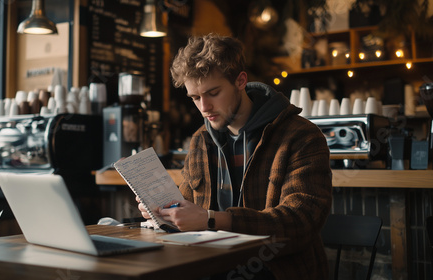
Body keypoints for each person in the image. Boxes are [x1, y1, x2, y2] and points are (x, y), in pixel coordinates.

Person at [137, 33, 332, 280]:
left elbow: (300, 223)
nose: (204, 107)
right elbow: (187, 208)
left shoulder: (300, 136)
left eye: (213, 93)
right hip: (210, 267)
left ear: (240, 81)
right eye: (195, 98)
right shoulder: (200, 140)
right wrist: (163, 212)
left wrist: (212, 219)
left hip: (278, 271)